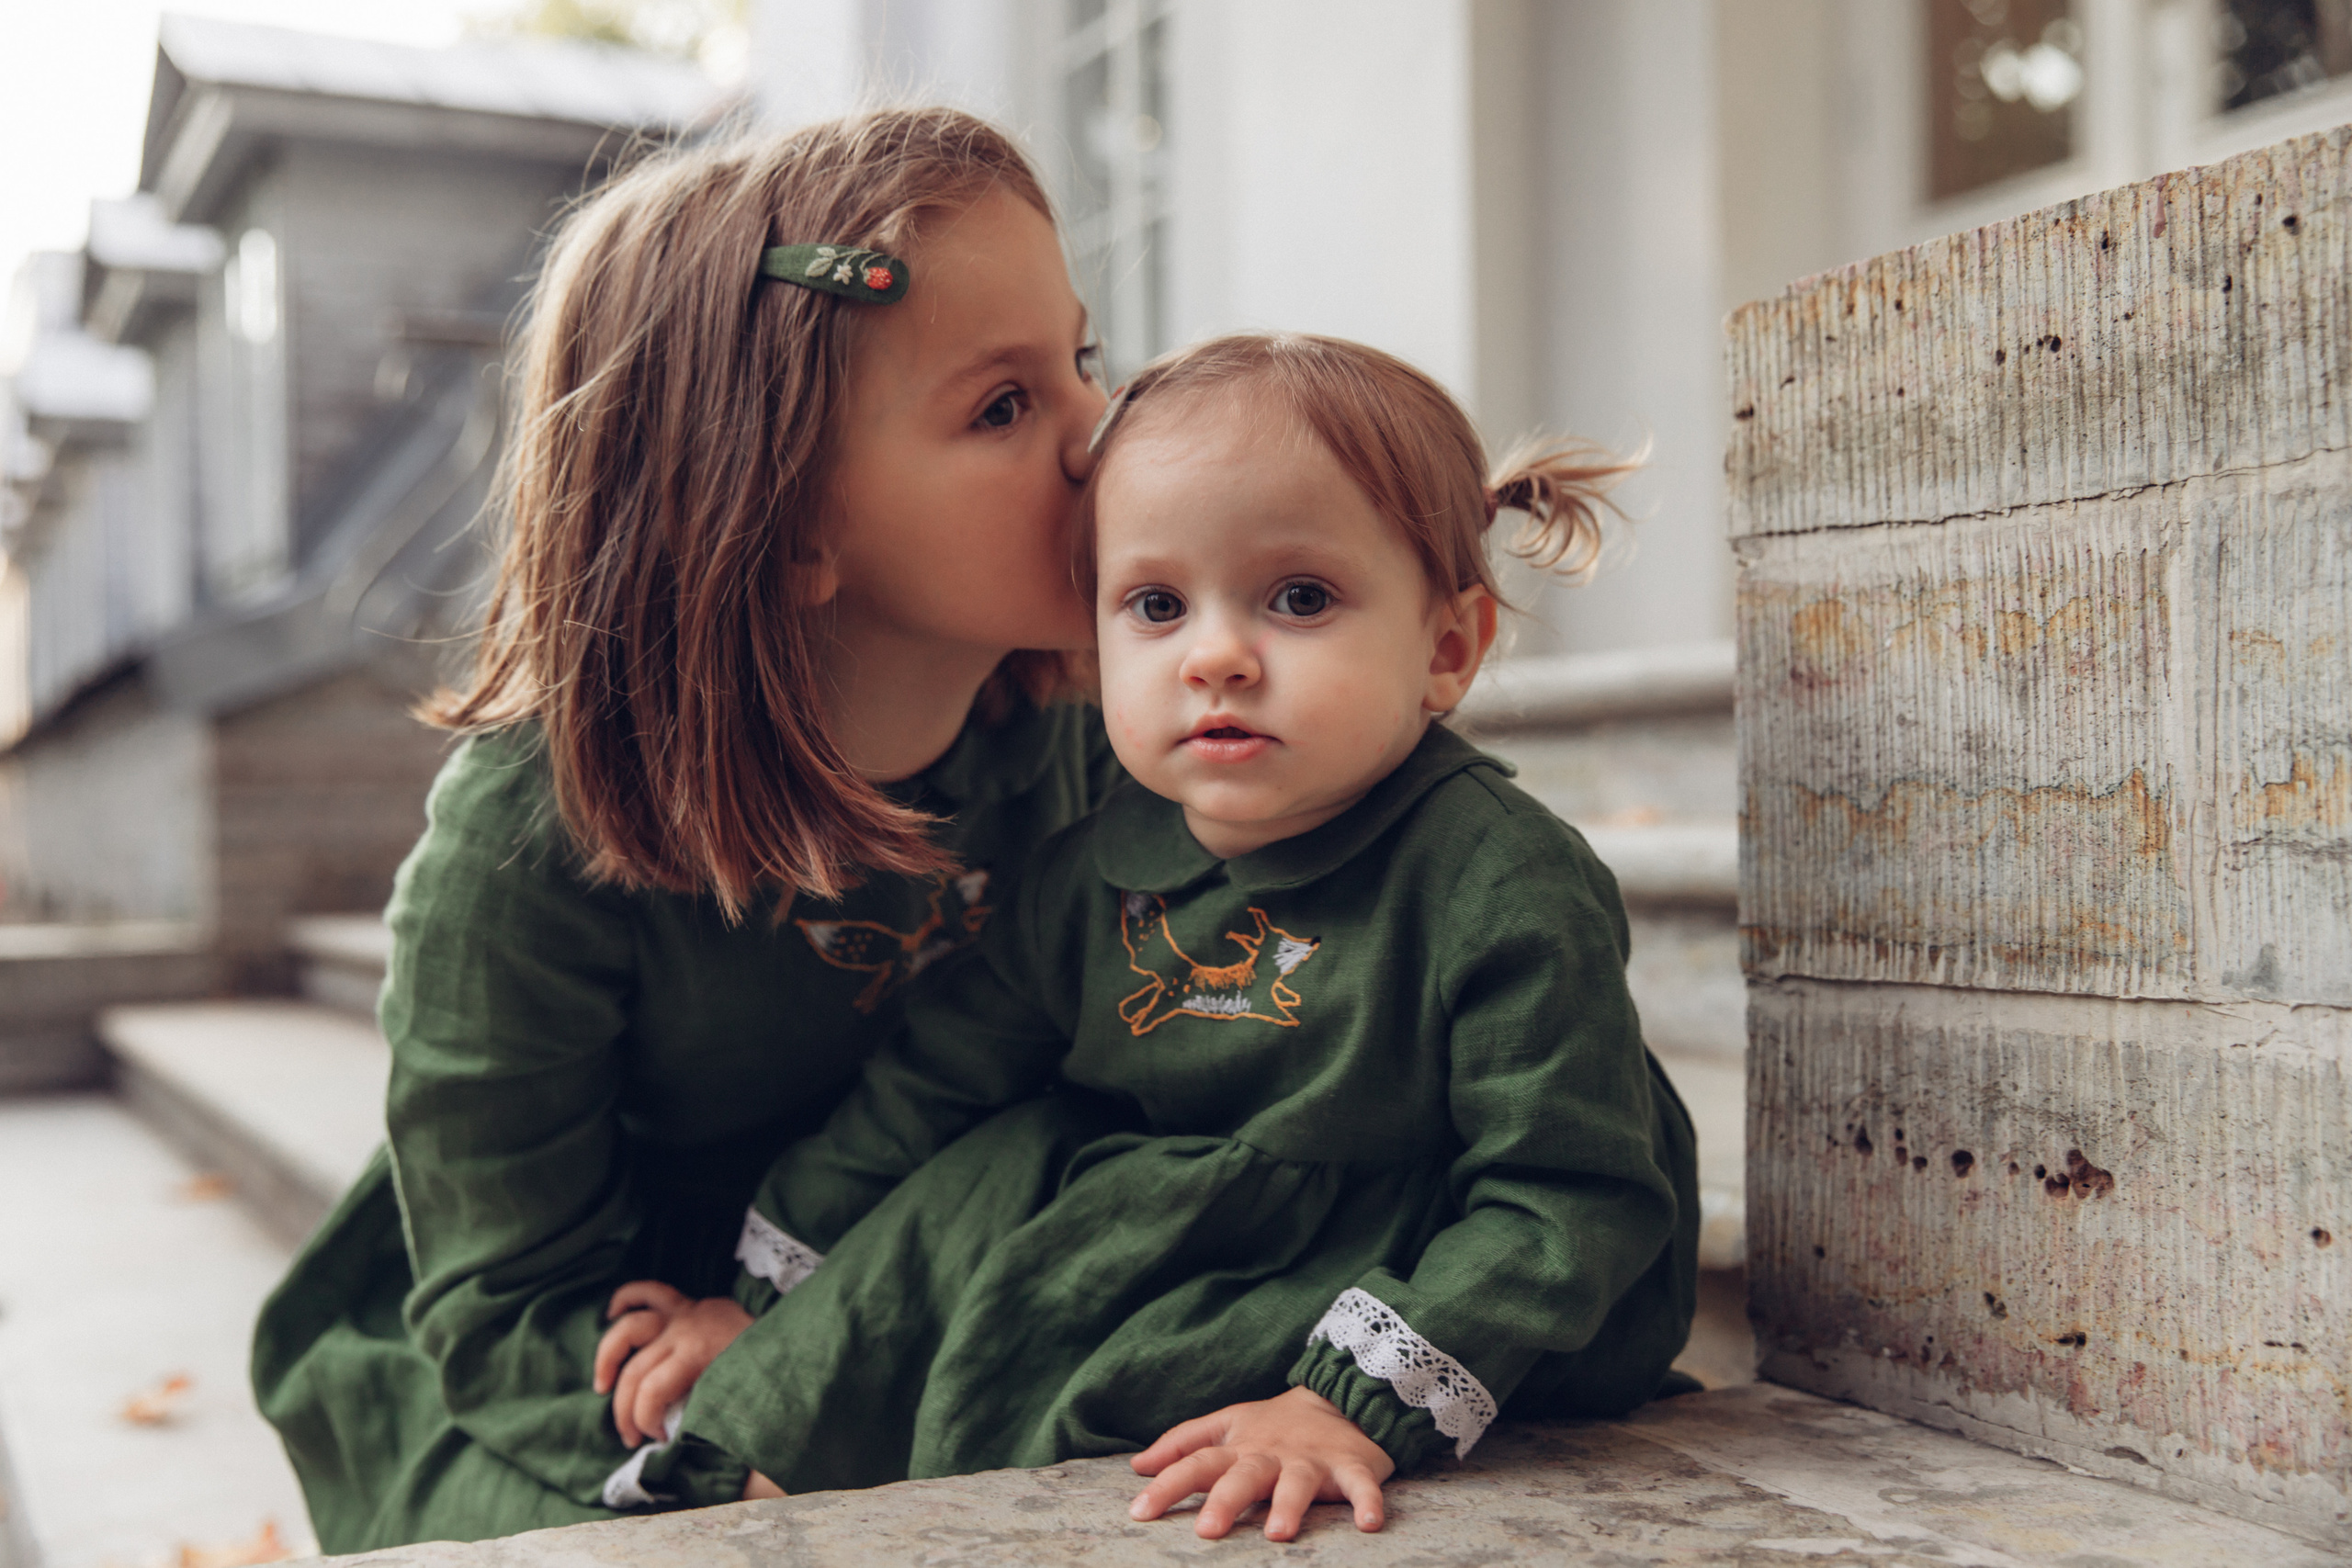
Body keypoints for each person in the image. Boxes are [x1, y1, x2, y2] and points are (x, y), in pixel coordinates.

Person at [594, 333, 1702, 1540]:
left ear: (1447, 650)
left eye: (1300, 599)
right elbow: (931, 1085)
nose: (1215, 656)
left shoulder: (1498, 878)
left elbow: (1568, 1193)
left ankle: (981, 1463)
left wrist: (1343, 1405)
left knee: (1092, 1316)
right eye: (1158, 606)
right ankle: (755, 1460)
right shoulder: (1097, 867)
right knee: (999, 1164)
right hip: (1194, 1215)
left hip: (1415, 1251)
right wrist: (764, 1296)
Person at [248, 108, 1124, 1553]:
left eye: (1085, 361)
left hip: (896, 1295)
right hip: (590, 1372)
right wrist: (744, 1417)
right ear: (785, 522)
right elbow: (505, 1307)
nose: (1105, 433)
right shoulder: (530, 844)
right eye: (1003, 407)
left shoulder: (1085, 735)